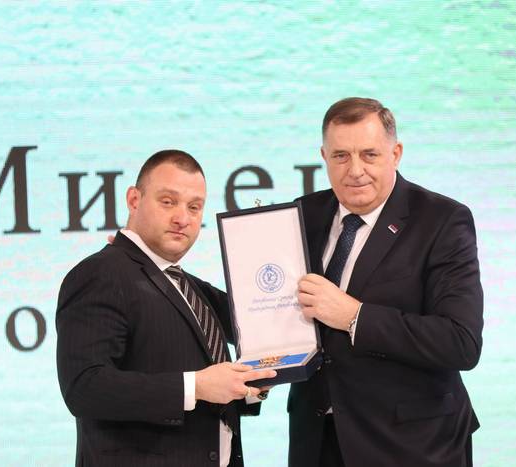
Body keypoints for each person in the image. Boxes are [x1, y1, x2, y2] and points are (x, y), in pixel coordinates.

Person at [289, 98, 484, 467]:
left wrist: (355, 317)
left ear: (396, 154)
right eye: (341, 156)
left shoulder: (443, 220)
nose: (355, 170)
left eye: (369, 155)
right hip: (317, 443)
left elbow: (461, 342)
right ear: (324, 156)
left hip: (411, 446)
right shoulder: (302, 213)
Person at [56, 150, 275, 467]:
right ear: (134, 200)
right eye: (168, 201)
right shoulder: (101, 273)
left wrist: (250, 387)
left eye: (194, 207)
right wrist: (196, 386)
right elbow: (85, 387)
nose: (182, 218)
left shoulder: (189, 286)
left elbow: (211, 385)